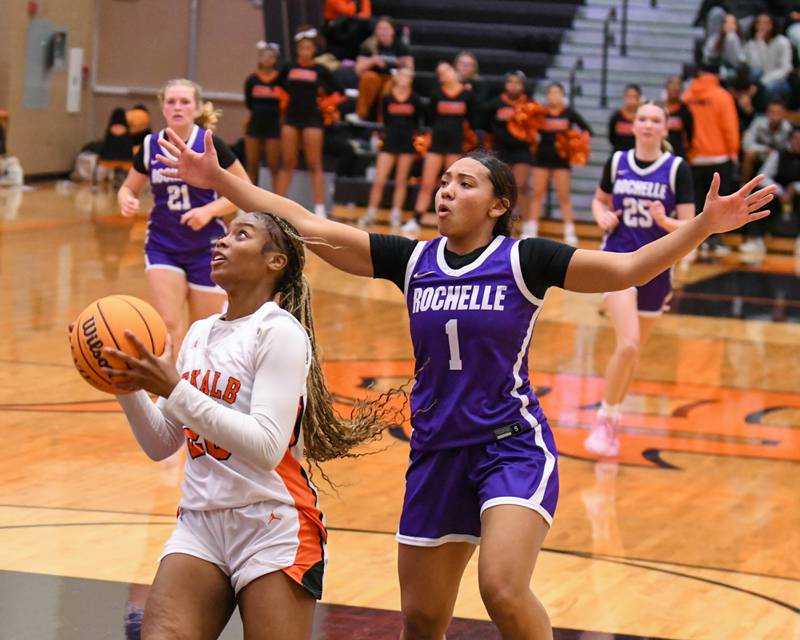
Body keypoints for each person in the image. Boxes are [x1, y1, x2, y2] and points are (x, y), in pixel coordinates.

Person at [157, 123, 773, 640]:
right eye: (445, 180)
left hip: (509, 444)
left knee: (502, 587)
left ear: (498, 204)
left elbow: (626, 268)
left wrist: (702, 227)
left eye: (465, 183)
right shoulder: (413, 260)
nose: (446, 190)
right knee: (422, 621)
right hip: (435, 450)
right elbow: (302, 222)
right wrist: (222, 182)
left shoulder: (526, 259)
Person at [95, 210, 396, 640]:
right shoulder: (199, 334)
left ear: (276, 261)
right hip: (200, 521)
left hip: (271, 523)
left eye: (240, 234)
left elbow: (267, 446)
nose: (221, 242)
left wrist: (176, 388)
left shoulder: (279, 333)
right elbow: (163, 443)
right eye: (223, 233)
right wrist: (123, 385)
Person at [585, 102, 696, 457]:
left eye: (655, 120)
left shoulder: (677, 168)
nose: (648, 125)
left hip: (658, 266)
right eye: (642, 119)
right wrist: (602, 216)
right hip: (618, 261)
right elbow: (599, 202)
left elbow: (692, 226)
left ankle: (614, 418)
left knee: (632, 352)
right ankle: (603, 419)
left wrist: (666, 223)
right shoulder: (617, 162)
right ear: (633, 126)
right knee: (629, 343)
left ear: (665, 128)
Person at [117, 78, 250, 351]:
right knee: (167, 322)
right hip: (163, 243)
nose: (178, 107)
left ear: (197, 107)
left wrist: (208, 210)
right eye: (171, 102)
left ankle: (199, 389)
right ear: (163, 108)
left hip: (207, 246)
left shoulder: (210, 143)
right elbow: (128, 188)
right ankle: (173, 392)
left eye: (185, 101)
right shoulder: (149, 144)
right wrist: (126, 199)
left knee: (205, 330)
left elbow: (244, 189)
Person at [276, 26, 343, 219]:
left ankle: (320, 208)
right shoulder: (289, 68)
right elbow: (277, 87)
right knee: (287, 162)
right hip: (291, 118)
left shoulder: (320, 70)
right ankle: (276, 207)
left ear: (314, 50)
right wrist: (283, 101)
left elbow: (339, 92)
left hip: (312, 120)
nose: (305, 51)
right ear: (298, 49)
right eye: (302, 48)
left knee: (315, 164)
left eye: (309, 48)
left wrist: (325, 105)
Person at [405, 61, 475, 234]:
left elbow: (473, 118)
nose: (444, 75)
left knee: (454, 187)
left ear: (453, 71)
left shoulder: (467, 94)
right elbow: (430, 116)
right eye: (440, 73)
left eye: (446, 71)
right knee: (427, 184)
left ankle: (454, 222)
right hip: (436, 144)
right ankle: (416, 219)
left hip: (455, 145)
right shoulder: (436, 93)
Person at [682, 61, 740, 256]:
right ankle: (715, 240)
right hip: (719, 157)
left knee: (697, 202)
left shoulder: (687, 96)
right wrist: (733, 152)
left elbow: (682, 128)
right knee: (719, 203)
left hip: (694, 157)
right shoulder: (722, 96)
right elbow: (729, 127)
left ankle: (695, 242)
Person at [524, 81, 592, 244]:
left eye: (557, 93)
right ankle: (531, 229)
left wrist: (575, 143)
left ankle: (569, 231)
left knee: (564, 196)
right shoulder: (541, 112)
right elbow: (529, 130)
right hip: (542, 157)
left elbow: (587, 130)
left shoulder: (569, 113)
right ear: (547, 95)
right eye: (551, 93)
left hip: (561, 160)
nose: (554, 96)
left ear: (563, 95)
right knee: (538, 194)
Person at [358, 68, 421, 228]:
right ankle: (371, 212)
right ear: (397, 77)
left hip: (406, 143)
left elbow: (417, 122)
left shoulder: (415, 98)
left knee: (401, 181)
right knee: (379, 180)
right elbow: (384, 120)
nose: (407, 78)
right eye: (404, 75)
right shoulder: (387, 98)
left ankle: (396, 214)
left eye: (410, 76)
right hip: (389, 142)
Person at [741, 125, 800, 256]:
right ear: (790, 140)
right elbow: (763, 176)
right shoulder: (778, 154)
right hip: (778, 195)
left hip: (797, 196)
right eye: (796, 139)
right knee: (759, 193)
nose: (798, 142)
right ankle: (755, 239)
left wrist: (794, 188)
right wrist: (779, 191)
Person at [483, 70, 534, 221]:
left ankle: (527, 224)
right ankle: (500, 222)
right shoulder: (495, 103)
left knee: (521, 186)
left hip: (522, 150)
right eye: (510, 82)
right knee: (501, 187)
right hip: (501, 149)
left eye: (517, 83)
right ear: (505, 84)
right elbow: (485, 125)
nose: (513, 86)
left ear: (523, 86)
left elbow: (535, 126)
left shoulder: (530, 105)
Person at [352, 16, 414, 122]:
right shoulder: (368, 45)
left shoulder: (401, 46)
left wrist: (401, 68)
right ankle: (360, 115)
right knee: (368, 77)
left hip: (393, 78)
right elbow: (358, 70)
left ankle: (383, 121)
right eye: (379, 29)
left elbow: (410, 72)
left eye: (386, 29)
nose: (382, 32)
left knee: (389, 86)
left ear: (393, 31)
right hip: (375, 77)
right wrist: (372, 61)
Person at [244, 41, 285, 188]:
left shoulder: (281, 80)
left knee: (274, 165)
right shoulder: (252, 80)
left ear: (275, 60)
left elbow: (285, 103)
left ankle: (277, 203)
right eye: (264, 56)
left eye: (271, 57)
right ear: (259, 58)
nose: (267, 59)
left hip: (273, 127)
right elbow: (249, 102)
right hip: (255, 125)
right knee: (251, 165)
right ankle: (247, 201)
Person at [744, 13, 794, 99]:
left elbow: (786, 68)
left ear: (772, 24)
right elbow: (755, 65)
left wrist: (764, 81)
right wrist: (758, 43)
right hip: (760, 78)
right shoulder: (752, 43)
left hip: (779, 79)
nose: (762, 26)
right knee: (753, 74)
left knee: (768, 87)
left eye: (766, 23)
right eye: (759, 23)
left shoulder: (782, 42)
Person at [702, 13, 747, 80]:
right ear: (722, 25)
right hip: (716, 68)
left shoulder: (741, 41)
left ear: (737, 26)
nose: (729, 25)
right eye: (726, 22)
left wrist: (732, 40)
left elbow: (741, 60)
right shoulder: (714, 38)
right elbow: (707, 55)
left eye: (733, 23)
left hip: (735, 70)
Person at [664, 76, 694, 159]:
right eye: (672, 85)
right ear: (666, 88)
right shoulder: (659, 109)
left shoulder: (686, 111)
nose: (675, 88)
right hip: (661, 154)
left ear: (682, 90)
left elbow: (690, 136)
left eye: (678, 86)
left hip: (679, 155)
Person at [607, 84, 642, 152]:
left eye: (634, 96)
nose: (631, 100)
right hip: (619, 153)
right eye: (628, 96)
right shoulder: (616, 116)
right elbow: (612, 137)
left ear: (639, 98)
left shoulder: (642, 118)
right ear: (624, 97)